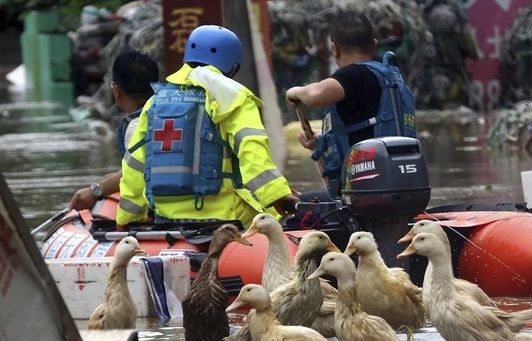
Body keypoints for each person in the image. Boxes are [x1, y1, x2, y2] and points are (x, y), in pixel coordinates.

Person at [116, 25, 299, 229]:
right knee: (288, 217)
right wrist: (279, 197)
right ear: (233, 68)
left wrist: (126, 220)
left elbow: (134, 165)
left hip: (166, 219)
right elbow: (252, 152)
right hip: (226, 218)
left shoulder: (155, 102)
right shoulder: (234, 97)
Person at [284, 10, 417, 192]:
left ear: (334, 49)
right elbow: (364, 131)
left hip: (368, 191)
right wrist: (322, 142)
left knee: (304, 204)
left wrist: (295, 91)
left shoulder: (354, 75)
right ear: (374, 46)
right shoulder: (389, 78)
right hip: (403, 186)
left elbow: (316, 96)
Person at [69, 50, 159, 211]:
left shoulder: (137, 125)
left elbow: (136, 175)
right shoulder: (171, 115)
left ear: (116, 91)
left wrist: (95, 190)